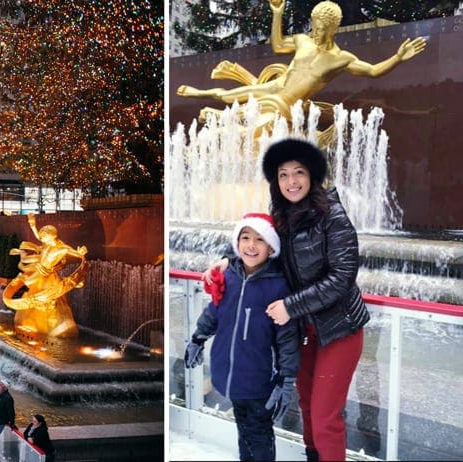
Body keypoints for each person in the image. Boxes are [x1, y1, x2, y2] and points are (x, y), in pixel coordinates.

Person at [205, 138, 370, 462]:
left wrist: (290, 306)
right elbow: (256, 243)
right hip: (303, 330)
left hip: (338, 329)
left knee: (325, 417)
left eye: (298, 173)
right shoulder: (281, 216)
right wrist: (226, 260)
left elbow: (342, 278)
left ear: (312, 176)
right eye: (283, 175)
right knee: (307, 405)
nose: (291, 182)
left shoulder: (333, 217)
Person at [176, 0, 427, 131]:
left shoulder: (341, 59)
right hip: (275, 86)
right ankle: (202, 94)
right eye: (314, 26)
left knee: (251, 121)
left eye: (321, 28)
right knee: (228, 96)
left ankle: (221, 118)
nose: (316, 32)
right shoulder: (303, 40)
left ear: (333, 28)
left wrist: (397, 58)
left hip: (287, 105)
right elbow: (277, 45)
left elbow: (372, 71)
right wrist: (277, 14)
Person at [187, 212, 298, 461]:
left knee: (259, 434)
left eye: (259, 239)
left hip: (259, 377)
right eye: (245, 237)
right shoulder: (229, 276)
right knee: (244, 429)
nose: (251, 245)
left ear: (271, 248)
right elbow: (214, 311)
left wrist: (286, 379)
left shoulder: (277, 286)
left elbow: (287, 337)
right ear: (237, 244)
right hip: (231, 374)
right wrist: (198, 338)